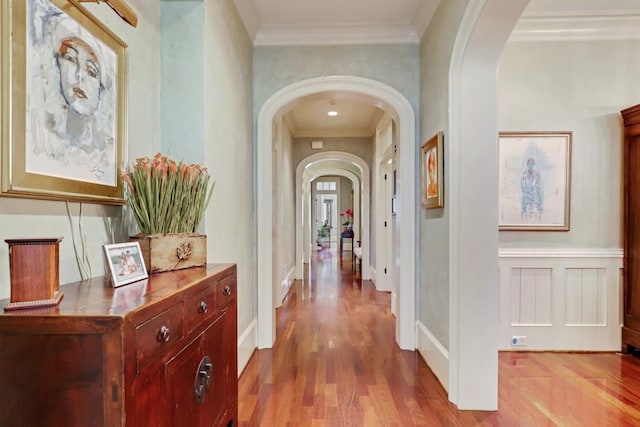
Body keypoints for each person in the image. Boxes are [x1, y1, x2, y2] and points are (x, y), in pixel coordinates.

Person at [521, 156, 543, 221]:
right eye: (529, 163)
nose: (531, 165)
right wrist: (529, 190)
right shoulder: (524, 175)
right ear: (527, 165)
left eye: (532, 163)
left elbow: (539, 186)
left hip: (535, 199)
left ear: (534, 164)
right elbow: (523, 187)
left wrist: (533, 190)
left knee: (535, 216)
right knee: (527, 216)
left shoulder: (537, 175)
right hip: (527, 199)